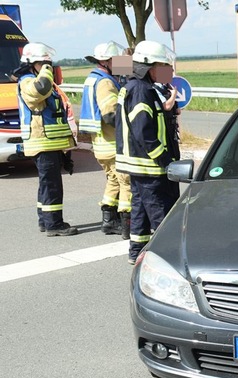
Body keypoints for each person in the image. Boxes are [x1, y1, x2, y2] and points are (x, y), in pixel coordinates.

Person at [116, 40, 180, 264]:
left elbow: (148, 120)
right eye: (161, 66)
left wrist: (166, 110)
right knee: (158, 210)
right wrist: (164, 159)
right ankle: (168, 255)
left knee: (141, 209)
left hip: (140, 163)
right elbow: (144, 132)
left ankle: (136, 251)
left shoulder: (140, 87)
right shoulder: (141, 90)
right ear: (148, 66)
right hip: (148, 164)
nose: (163, 71)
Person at [15, 42, 78, 236]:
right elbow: (40, 90)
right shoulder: (27, 81)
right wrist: (46, 72)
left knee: (46, 183)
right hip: (42, 141)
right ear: (31, 63)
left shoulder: (38, 78)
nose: (47, 66)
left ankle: (45, 220)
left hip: (50, 141)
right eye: (43, 63)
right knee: (51, 185)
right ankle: (54, 224)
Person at [80, 41, 132, 239]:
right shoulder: (105, 82)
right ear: (106, 61)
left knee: (113, 181)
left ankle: (108, 222)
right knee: (126, 181)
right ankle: (127, 225)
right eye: (117, 60)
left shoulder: (95, 77)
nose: (121, 63)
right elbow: (110, 115)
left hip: (101, 143)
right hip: (111, 143)